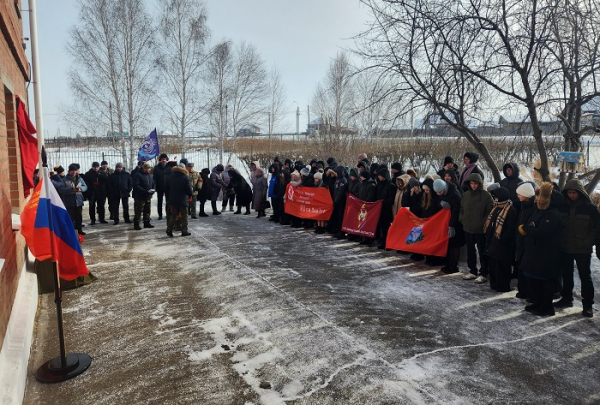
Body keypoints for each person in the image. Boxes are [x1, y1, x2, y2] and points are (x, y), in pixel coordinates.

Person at [556, 179, 600, 318]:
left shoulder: (590, 208)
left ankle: (588, 305)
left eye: (574, 192)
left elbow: (596, 229)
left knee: (585, 277)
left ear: (580, 193)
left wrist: (588, 242)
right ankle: (566, 298)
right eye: (569, 192)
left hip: (583, 249)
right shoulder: (563, 206)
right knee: (566, 274)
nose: (571, 195)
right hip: (565, 247)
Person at [519, 182, 562, 316]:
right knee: (534, 280)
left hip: (546, 253)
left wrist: (527, 229)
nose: (536, 198)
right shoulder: (539, 210)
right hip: (535, 250)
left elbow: (543, 232)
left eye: (538, 196)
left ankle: (546, 307)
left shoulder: (552, 214)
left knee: (544, 280)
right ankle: (537, 303)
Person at [459, 173, 494, 282]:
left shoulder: (486, 196)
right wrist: (463, 219)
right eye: (472, 183)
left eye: (476, 183)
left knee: (482, 251)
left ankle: (483, 272)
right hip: (468, 228)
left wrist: (483, 223)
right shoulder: (466, 195)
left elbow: (491, 212)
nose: (473, 185)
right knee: (470, 251)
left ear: (479, 184)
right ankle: (472, 270)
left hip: (481, 230)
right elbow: (462, 209)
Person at [483, 187, 518, 292]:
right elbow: (491, 225)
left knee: (502, 267)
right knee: (493, 266)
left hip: (503, 244)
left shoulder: (510, 210)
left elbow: (510, 229)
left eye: (497, 197)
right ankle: (494, 284)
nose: (495, 199)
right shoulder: (496, 208)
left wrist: (502, 239)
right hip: (493, 243)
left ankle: (502, 286)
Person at [434, 178, 464, 273]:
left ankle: (453, 266)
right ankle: (448, 263)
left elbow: (456, 212)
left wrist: (452, 226)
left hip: (456, 224)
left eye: (439, 192)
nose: (438, 194)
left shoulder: (455, 195)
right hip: (447, 223)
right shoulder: (443, 193)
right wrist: (441, 203)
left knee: (455, 245)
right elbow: (437, 202)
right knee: (449, 244)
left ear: (444, 189)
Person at [513, 182, 537, 299]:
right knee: (521, 266)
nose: (517, 196)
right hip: (521, 239)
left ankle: (527, 291)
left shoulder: (531, 208)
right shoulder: (523, 205)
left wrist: (523, 230)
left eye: (520, 194)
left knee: (526, 267)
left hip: (526, 240)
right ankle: (522, 290)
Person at [53, 163, 88, 235]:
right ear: (69, 171)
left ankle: (79, 229)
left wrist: (80, 189)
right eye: (72, 171)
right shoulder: (64, 180)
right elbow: (61, 189)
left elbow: (85, 187)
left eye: (75, 170)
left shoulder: (80, 179)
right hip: (69, 201)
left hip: (79, 201)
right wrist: (71, 189)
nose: (74, 172)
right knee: (71, 217)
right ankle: (72, 231)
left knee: (79, 216)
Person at [165, 165, 192, 237]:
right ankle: (184, 230)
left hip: (173, 199)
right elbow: (189, 189)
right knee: (184, 215)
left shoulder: (170, 177)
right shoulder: (185, 177)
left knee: (173, 215)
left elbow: (166, 188)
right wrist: (190, 194)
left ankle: (169, 229)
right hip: (183, 199)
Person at [132, 163, 156, 230]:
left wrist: (153, 190)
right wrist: (145, 191)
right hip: (140, 196)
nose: (149, 170)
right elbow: (136, 186)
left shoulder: (150, 176)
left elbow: (153, 183)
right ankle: (136, 224)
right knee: (139, 211)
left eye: (149, 169)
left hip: (148, 196)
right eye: (147, 169)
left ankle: (147, 222)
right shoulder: (138, 175)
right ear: (144, 169)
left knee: (147, 210)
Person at [153, 153, 169, 220]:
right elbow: (155, 178)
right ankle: (160, 214)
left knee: (168, 201)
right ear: (160, 160)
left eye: (165, 159)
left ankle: (168, 214)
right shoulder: (156, 168)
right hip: (160, 187)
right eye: (162, 159)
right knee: (160, 201)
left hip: (168, 187)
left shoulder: (168, 167)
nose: (164, 160)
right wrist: (155, 186)